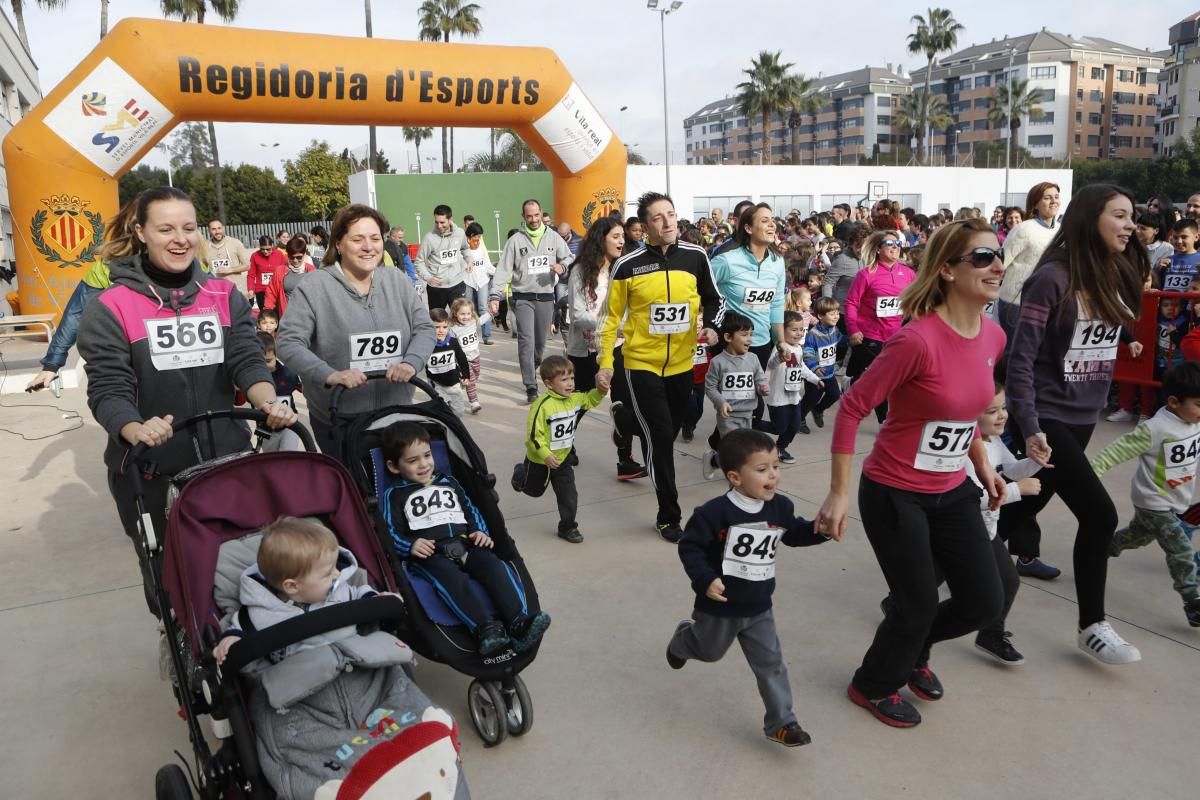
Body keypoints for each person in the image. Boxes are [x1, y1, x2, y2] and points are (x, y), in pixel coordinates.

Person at [816, 218, 1009, 728]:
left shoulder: (994, 335)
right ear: (946, 269)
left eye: (998, 255)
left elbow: (963, 415)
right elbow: (853, 407)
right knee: (917, 602)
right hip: (894, 493)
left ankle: (913, 650)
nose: (997, 266)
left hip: (952, 490)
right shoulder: (916, 341)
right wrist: (838, 493)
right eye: (982, 258)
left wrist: (983, 465)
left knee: (984, 601)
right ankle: (873, 683)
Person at [77, 186, 296, 616]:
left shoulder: (223, 295)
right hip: (151, 469)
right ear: (140, 232)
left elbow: (246, 361)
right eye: (166, 229)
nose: (180, 239)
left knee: (242, 567)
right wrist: (135, 428)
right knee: (170, 578)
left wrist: (268, 401)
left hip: (225, 459)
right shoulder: (111, 306)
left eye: (188, 228)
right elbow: (108, 387)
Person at [1001, 183, 1148, 665]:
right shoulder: (1053, 278)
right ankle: (1092, 626)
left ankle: (922, 582)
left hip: (1084, 415)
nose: (1131, 225)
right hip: (1046, 415)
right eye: (1120, 216)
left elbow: (1115, 322)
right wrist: (1029, 423)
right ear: (1090, 219)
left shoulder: (1116, 270)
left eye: (1132, 217)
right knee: (1100, 515)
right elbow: (1021, 359)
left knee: (1021, 510)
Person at [666, 429, 828, 747]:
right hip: (719, 607)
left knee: (772, 665)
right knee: (709, 652)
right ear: (735, 477)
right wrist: (704, 578)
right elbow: (691, 548)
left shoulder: (779, 507)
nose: (773, 475)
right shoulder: (714, 513)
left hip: (759, 607)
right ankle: (683, 641)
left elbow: (794, 533)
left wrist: (818, 530)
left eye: (776, 466)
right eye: (762, 469)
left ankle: (782, 723)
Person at [595, 191, 725, 542]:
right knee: (662, 438)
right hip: (641, 365)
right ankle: (669, 514)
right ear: (645, 226)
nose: (668, 222)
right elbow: (609, 320)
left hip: (683, 364)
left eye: (671, 214)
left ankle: (625, 421)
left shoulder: (696, 256)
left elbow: (715, 300)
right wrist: (606, 363)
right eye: (658, 217)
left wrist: (712, 326)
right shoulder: (628, 265)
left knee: (670, 424)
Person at [276, 203, 436, 455]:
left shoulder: (397, 280)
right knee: (352, 489)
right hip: (338, 418)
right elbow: (287, 343)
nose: (368, 246)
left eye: (375, 238)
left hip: (396, 414)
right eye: (357, 239)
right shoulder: (314, 286)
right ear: (338, 244)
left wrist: (411, 363)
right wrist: (329, 375)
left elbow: (425, 328)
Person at [380, 422, 551, 654]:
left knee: (494, 566)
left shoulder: (448, 482)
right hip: (430, 555)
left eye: (427, 455)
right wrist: (410, 545)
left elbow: (470, 510)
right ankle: (486, 629)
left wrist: (479, 531)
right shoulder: (395, 494)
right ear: (393, 466)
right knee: (453, 581)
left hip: (466, 544)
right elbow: (390, 530)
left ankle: (518, 623)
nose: (423, 464)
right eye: (412, 461)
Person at [1091, 362, 1200, 628]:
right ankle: (1193, 602)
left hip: (1175, 499)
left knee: (1136, 537)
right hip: (1154, 502)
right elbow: (1119, 448)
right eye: (1199, 404)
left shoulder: (1193, 420)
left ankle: (1100, 550)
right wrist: (1092, 472)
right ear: (1174, 402)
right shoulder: (1157, 428)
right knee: (1181, 551)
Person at [25, 196, 138, 393]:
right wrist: (52, 364)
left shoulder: (194, 266)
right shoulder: (104, 268)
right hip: (127, 358)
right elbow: (75, 315)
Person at [965, 380, 1041, 664]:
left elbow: (1012, 468)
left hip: (987, 529)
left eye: (1004, 408)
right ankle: (899, 606)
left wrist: (1034, 461)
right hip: (962, 530)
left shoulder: (994, 442)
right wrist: (1016, 491)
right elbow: (969, 500)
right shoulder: (965, 454)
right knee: (933, 581)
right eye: (992, 410)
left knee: (1008, 582)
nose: (1003, 415)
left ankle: (990, 634)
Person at [511, 356, 606, 543]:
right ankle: (520, 474)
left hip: (563, 460)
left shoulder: (575, 399)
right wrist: (545, 454)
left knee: (569, 495)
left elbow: (589, 400)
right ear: (549, 384)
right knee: (533, 491)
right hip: (539, 460)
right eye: (564, 380)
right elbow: (533, 436)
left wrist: (600, 392)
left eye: (571, 378)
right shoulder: (542, 406)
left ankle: (568, 527)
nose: (570, 383)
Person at [710, 203, 788, 428]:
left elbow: (776, 303)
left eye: (773, 219)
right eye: (764, 220)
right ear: (748, 228)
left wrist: (780, 341)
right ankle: (728, 451)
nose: (772, 224)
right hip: (730, 343)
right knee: (740, 405)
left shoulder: (777, 262)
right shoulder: (726, 260)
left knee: (746, 404)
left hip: (762, 341)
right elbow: (702, 290)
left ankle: (720, 450)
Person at [489, 199, 574, 404]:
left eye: (537, 215)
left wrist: (562, 267)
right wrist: (495, 295)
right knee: (525, 341)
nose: (534, 219)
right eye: (529, 216)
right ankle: (530, 385)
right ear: (523, 217)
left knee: (540, 343)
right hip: (522, 297)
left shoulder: (553, 237)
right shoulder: (516, 240)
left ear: (541, 213)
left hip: (545, 297)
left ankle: (534, 363)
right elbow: (503, 269)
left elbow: (569, 257)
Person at [844, 231, 917, 423]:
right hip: (870, 335)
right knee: (878, 379)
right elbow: (851, 303)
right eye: (890, 244)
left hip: (897, 336)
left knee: (888, 379)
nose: (895, 247)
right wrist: (853, 329)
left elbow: (918, 301)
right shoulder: (866, 274)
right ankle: (884, 420)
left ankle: (852, 383)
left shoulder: (908, 274)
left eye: (898, 243)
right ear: (878, 248)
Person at [702, 313, 769, 479]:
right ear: (728, 337)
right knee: (737, 450)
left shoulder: (753, 359)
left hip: (748, 413)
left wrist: (762, 387)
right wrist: (721, 402)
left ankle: (714, 460)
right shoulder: (717, 362)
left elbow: (759, 377)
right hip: (728, 416)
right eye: (744, 335)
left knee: (743, 448)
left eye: (751, 334)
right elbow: (710, 387)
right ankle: (738, 481)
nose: (749, 339)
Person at [566, 217, 624, 391]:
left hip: (618, 346)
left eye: (622, 236)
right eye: (615, 237)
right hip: (586, 350)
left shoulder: (622, 270)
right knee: (581, 401)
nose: (621, 241)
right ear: (601, 240)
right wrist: (611, 326)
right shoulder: (580, 271)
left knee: (623, 398)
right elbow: (577, 315)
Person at [997, 182, 1061, 338]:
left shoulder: (1061, 230)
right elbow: (1000, 264)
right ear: (1035, 204)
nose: (1053, 201)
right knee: (1015, 355)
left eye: (1056, 197)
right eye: (1047, 198)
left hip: (1048, 304)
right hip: (1016, 303)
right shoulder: (1023, 229)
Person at [765, 311, 821, 462]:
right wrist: (779, 358)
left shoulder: (798, 348)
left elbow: (801, 367)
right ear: (782, 331)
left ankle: (780, 449)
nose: (799, 333)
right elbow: (770, 365)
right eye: (794, 330)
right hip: (778, 398)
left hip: (794, 397)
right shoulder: (779, 349)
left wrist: (816, 379)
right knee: (779, 428)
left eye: (801, 330)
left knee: (794, 426)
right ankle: (751, 423)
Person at [800, 296, 844, 429]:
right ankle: (799, 419)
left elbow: (841, 341)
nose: (836, 316)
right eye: (832, 314)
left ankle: (818, 410)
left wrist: (849, 341)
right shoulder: (813, 334)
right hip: (815, 375)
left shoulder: (834, 330)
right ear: (820, 316)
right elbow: (807, 353)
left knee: (835, 394)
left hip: (829, 373)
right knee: (811, 399)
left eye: (837, 313)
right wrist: (814, 367)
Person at [415, 204, 469, 310]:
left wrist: (469, 260)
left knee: (461, 321)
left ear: (450, 219)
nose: (439, 226)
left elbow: (465, 248)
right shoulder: (429, 238)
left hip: (457, 284)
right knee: (437, 322)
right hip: (436, 288)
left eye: (442, 222)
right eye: (436, 222)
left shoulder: (460, 233)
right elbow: (419, 261)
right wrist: (428, 278)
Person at [425, 308, 470, 416]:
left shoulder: (453, 342)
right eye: (437, 327)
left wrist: (466, 375)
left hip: (454, 383)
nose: (441, 330)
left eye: (444, 327)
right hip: (436, 384)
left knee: (458, 412)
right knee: (441, 411)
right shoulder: (426, 344)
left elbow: (462, 358)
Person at [264, 237, 316, 319]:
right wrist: (267, 312)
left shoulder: (311, 270)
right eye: (292, 257)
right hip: (287, 317)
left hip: (308, 317)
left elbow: (318, 295)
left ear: (304, 254)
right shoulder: (280, 271)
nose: (295, 260)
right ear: (287, 255)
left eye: (299, 257)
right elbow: (271, 292)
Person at [450, 297, 484, 413]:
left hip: (476, 356)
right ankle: (474, 402)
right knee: (471, 380)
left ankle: (462, 382)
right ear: (455, 314)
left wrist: (490, 312)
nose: (466, 317)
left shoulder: (473, 322)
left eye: (468, 313)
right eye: (462, 314)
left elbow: (482, 320)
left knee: (476, 375)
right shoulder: (453, 328)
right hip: (463, 360)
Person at [462, 222, 494, 345]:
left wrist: (497, 273)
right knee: (469, 309)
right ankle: (470, 335)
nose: (479, 239)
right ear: (470, 235)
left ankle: (487, 336)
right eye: (477, 236)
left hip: (482, 281)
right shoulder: (463, 248)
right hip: (467, 281)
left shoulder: (480, 247)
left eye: (480, 237)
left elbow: (487, 263)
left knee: (482, 307)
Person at [256, 331, 302, 410]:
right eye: (258, 362)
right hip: (262, 420)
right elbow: (239, 401)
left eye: (268, 361)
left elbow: (306, 390)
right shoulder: (250, 377)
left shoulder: (288, 374)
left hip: (289, 420)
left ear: (275, 356)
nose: (264, 366)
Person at [206, 218, 250, 297]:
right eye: (214, 229)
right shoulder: (205, 246)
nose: (217, 231)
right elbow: (201, 269)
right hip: (215, 291)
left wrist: (230, 269)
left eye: (219, 228)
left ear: (223, 228)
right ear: (209, 230)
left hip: (235, 290)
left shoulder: (235, 243)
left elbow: (247, 265)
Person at [248, 234, 287, 310]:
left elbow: (284, 272)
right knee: (265, 316)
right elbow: (251, 275)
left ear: (272, 245)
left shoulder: (279, 255)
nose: (265, 252)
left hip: (276, 290)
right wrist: (250, 290)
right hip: (261, 291)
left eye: (268, 249)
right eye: (262, 249)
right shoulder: (254, 256)